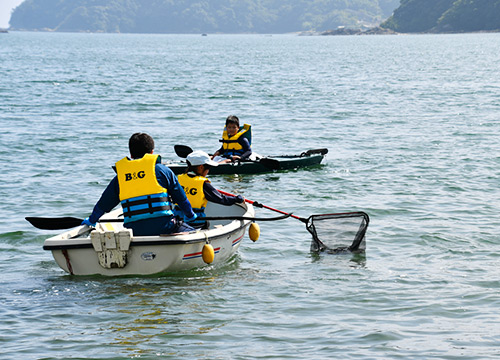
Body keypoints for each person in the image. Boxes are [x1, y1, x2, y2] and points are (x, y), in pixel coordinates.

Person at [82, 133, 197, 235]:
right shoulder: (163, 171)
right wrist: (190, 215)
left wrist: (92, 220)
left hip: (134, 231)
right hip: (165, 227)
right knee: (193, 231)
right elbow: (181, 200)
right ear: (152, 152)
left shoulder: (121, 177)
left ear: (131, 154)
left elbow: (104, 204)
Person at [175, 150, 244, 228]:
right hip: (195, 221)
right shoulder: (203, 183)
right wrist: (237, 199)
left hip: (178, 219)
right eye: (208, 168)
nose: (208, 171)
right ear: (201, 167)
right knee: (206, 225)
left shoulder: (179, 178)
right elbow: (221, 199)